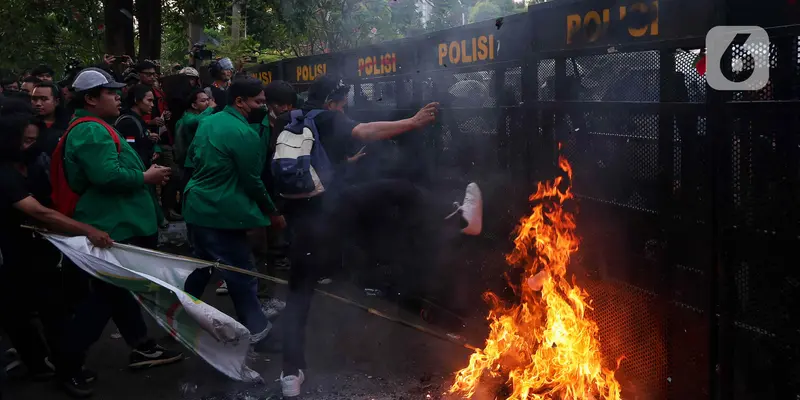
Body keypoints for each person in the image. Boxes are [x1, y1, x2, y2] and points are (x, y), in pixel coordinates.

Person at [276, 75, 482, 397]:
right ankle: (456, 220)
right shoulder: (328, 117)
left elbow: (303, 171)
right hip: (333, 212)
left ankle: (291, 374)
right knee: (398, 190)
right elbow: (366, 131)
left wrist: (345, 166)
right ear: (333, 101)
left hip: (304, 224)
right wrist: (413, 122)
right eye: (343, 102)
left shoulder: (288, 124)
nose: (345, 108)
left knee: (299, 295)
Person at [53, 67, 182, 397]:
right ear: (92, 99)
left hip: (116, 224)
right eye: (111, 93)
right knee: (103, 300)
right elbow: (106, 176)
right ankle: (67, 364)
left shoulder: (96, 128)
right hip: (112, 227)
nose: (118, 97)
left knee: (117, 292)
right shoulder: (92, 131)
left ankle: (141, 345)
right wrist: (145, 178)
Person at [0, 99, 113, 385]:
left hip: (42, 250)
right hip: (12, 253)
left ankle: (67, 367)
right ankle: (39, 364)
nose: (29, 145)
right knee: (18, 316)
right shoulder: (4, 172)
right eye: (24, 140)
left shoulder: (35, 161)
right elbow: (37, 210)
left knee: (54, 311)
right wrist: (86, 230)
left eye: (33, 140)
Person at [182, 78, 286, 350]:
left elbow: (192, 157)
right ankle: (259, 332)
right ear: (240, 101)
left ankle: (178, 312)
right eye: (259, 102)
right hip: (221, 211)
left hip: (196, 206)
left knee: (202, 266)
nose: (263, 107)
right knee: (242, 273)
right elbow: (252, 180)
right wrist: (272, 211)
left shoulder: (208, 122)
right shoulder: (244, 133)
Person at [115, 84, 159, 168]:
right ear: (136, 100)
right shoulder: (129, 123)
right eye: (149, 100)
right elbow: (131, 149)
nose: (152, 105)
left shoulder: (138, 120)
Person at [31, 81, 70, 157]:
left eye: (44, 99)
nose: (38, 103)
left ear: (56, 101)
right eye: (34, 99)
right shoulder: (26, 124)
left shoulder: (69, 126)